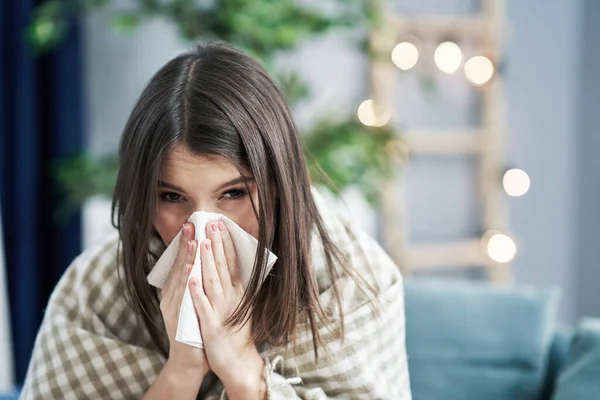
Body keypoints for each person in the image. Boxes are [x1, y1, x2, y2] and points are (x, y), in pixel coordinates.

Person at [20, 42, 411, 399]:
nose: (204, 228)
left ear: (277, 185)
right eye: (172, 197)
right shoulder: (95, 292)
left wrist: (241, 369)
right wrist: (183, 368)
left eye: (234, 194)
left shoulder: (352, 279)